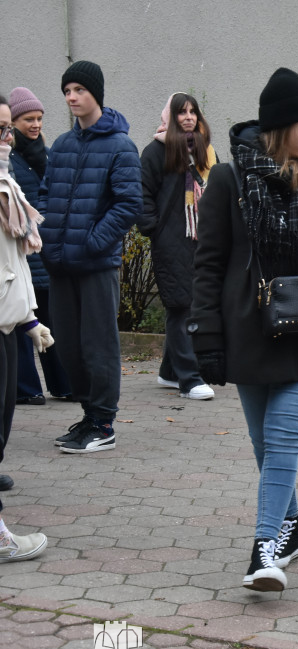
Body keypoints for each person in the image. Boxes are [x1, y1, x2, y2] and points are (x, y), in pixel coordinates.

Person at [190, 68, 298, 591]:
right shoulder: (228, 179)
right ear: (280, 125)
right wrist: (207, 338)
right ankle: (291, 529)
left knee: (283, 440)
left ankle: (264, 550)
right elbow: (209, 263)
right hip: (248, 329)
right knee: (265, 445)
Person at [37, 60, 143, 454]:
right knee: (67, 344)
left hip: (96, 263)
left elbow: (130, 203)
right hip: (61, 263)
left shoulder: (120, 145)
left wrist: (94, 240)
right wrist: (48, 238)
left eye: (79, 90)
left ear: (95, 94)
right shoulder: (63, 145)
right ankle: (88, 415)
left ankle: (103, 422)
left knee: (98, 345)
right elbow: (46, 194)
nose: (71, 97)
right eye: (67, 91)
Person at [0, 94, 51, 560]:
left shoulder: (6, 184)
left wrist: (31, 318)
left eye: (6, 130)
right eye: (1, 129)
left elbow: (13, 263)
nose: (6, 139)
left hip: (7, 324)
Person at [140, 93, 217, 401]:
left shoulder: (205, 150)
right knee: (179, 305)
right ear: (169, 117)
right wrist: (154, 229)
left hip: (202, 239)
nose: (188, 117)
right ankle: (189, 379)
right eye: (181, 112)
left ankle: (170, 372)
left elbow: (217, 189)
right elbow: (142, 193)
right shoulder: (156, 151)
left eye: (192, 112)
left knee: (193, 304)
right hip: (170, 239)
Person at [7, 87, 72, 407]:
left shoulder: (45, 155)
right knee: (21, 320)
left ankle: (63, 384)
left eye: (39, 119)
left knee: (51, 321)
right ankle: (25, 387)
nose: (35, 125)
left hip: (45, 252)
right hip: (19, 254)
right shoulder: (9, 159)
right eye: (27, 119)